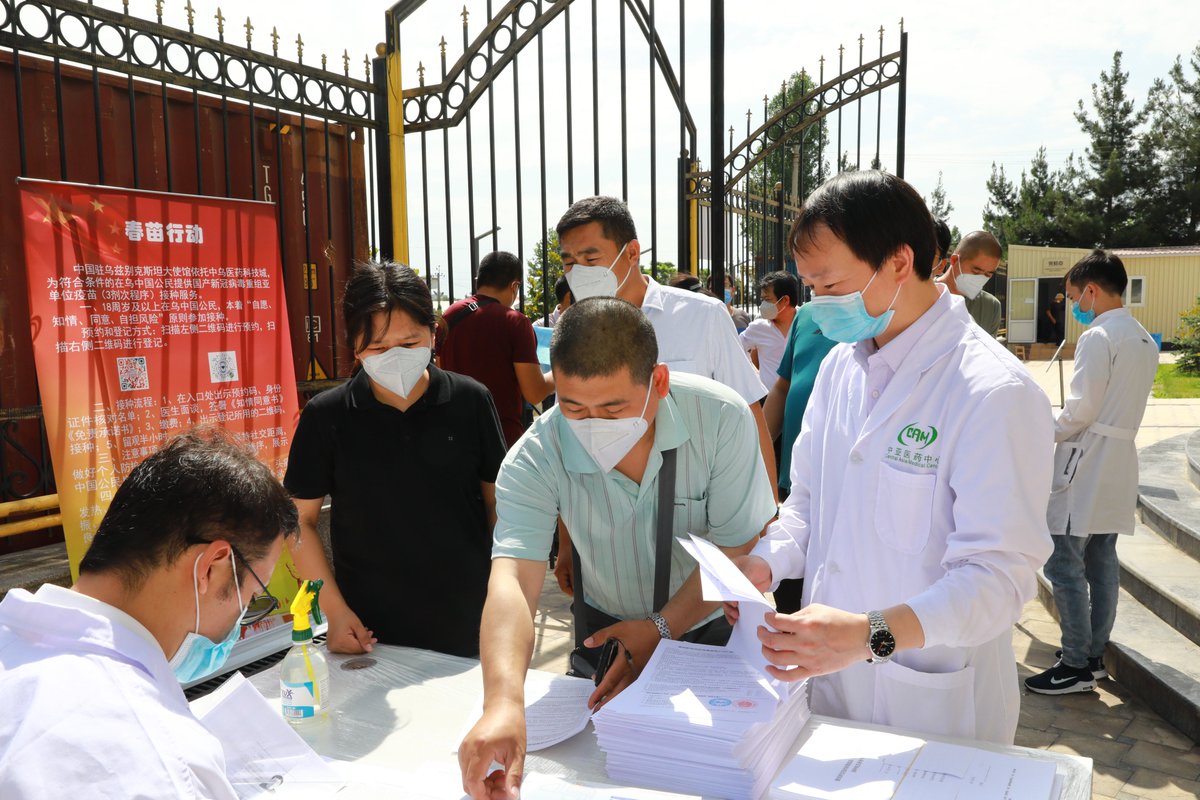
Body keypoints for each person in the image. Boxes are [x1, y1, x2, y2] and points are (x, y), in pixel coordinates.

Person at [727, 170, 1054, 745]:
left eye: (830, 286)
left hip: (934, 707)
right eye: (809, 288)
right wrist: (766, 563)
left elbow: (998, 581)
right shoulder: (839, 370)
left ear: (899, 262)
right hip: (829, 693)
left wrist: (868, 635)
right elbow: (806, 506)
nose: (817, 306)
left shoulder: (991, 391)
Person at [459, 297, 775, 800]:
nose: (591, 427)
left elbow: (733, 546)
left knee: (712, 776)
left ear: (659, 383)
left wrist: (662, 627)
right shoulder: (537, 453)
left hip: (709, 630)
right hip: (604, 631)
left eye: (613, 409)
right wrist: (502, 702)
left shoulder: (721, 420)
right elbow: (513, 582)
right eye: (573, 408)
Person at [0, 429, 298, 799]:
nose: (240, 620)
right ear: (213, 566)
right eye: (253, 596)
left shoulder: (11, 638)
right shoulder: (162, 760)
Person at [285, 261, 507, 657]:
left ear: (433, 334)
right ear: (354, 346)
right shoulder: (326, 416)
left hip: (469, 620)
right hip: (367, 630)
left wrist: (506, 595)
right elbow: (298, 520)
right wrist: (334, 612)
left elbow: (498, 504)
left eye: (409, 344)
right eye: (378, 348)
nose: (395, 357)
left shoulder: (471, 400)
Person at [1025, 250, 1158, 695]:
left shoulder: (1098, 338)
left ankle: (1076, 663)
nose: (1073, 306)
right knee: (1102, 560)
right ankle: (1094, 654)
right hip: (1120, 459)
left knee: (1064, 564)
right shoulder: (1143, 338)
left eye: (1072, 297)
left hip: (1088, 457)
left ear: (1092, 290)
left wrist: (1041, 431)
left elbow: (1081, 409)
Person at [761, 300, 838, 613]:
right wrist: (757, 454)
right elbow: (783, 386)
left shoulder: (872, 322)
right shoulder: (807, 314)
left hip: (842, 497)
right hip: (794, 489)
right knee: (789, 605)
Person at [439, 250, 555, 448]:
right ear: (514, 286)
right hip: (501, 435)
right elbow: (534, 392)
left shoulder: (450, 315)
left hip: (454, 433)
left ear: (479, 280)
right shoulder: (515, 321)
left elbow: (440, 372)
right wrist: (563, 371)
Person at [936, 230, 1003, 337]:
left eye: (988, 274)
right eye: (976, 271)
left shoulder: (991, 307)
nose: (981, 278)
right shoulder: (924, 294)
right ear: (954, 260)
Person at [740, 270, 800, 384]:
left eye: (767, 299)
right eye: (762, 299)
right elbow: (735, 349)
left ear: (785, 300)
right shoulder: (758, 327)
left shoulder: (807, 322)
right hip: (769, 399)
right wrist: (753, 375)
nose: (763, 305)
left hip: (803, 399)